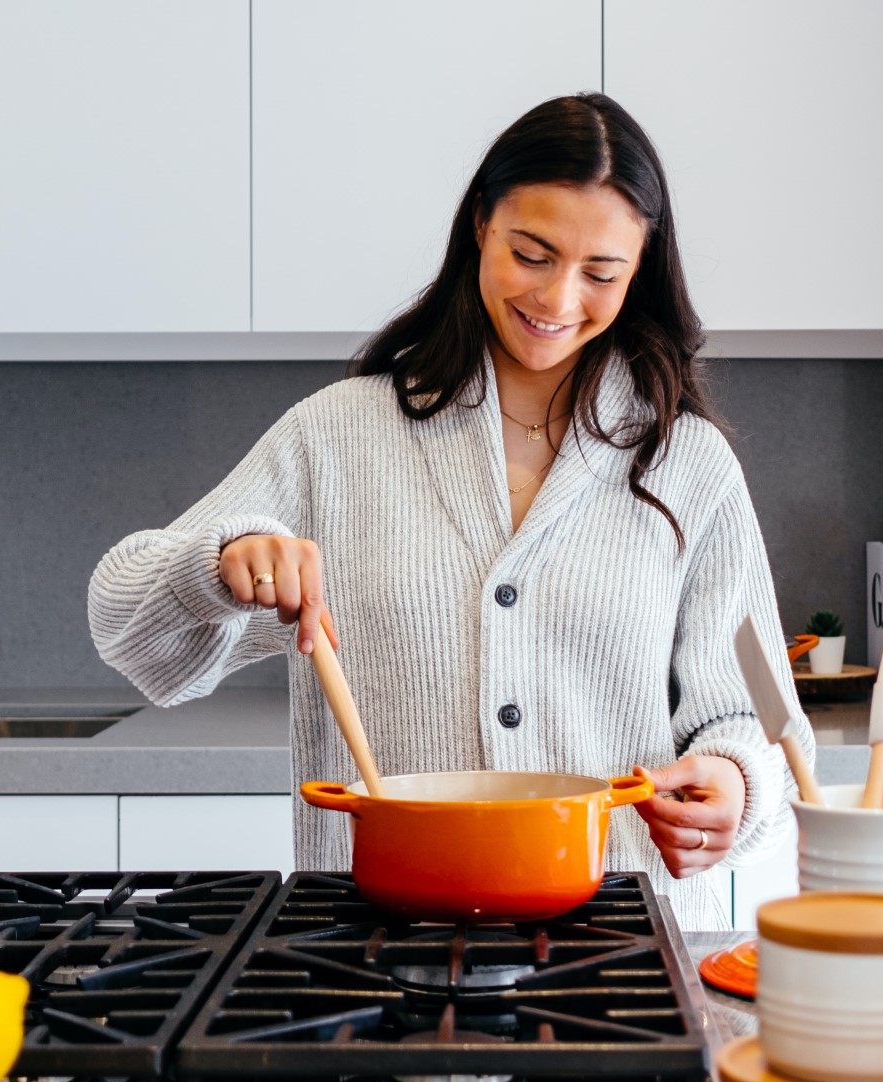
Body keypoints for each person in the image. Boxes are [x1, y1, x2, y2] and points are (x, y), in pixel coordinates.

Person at [87, 92, 811, 930]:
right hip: (369, 950)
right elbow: (125, 628)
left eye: (601, 273)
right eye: (532, 253)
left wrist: (731, 783)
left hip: (613, 951)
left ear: (640, 269)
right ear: (479, 225)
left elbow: (754, 719)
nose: (560, 298)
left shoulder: (687, 463)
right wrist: (218, 565)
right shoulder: (341, 435)